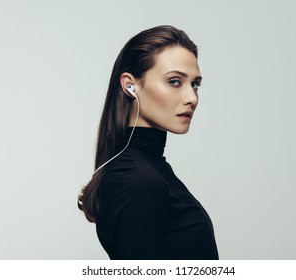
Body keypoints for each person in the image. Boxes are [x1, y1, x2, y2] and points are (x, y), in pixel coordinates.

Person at [78, 25, 219, 260]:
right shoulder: (139, 180)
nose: (192, 98)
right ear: (130, 85)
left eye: (195, 84)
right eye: (175, 81)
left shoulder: (145, 171)